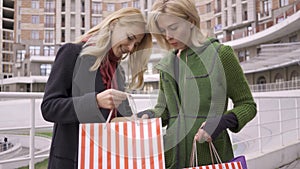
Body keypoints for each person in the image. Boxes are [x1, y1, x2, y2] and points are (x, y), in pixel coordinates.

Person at [139, 0, 257, 168]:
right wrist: (148, 116)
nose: (168, 36)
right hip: (172, 159)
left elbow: (247, 104)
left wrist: (222, 122)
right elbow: (163, 110)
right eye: (163, 30)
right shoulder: (166, 64)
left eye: (173, 28)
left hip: (210, 156)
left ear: (191, 21)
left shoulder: (221, 55)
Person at [41, 7, 152, 168]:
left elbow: (119, 117)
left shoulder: (117, 71)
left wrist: (134, 120)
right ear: (114, 25)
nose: (130, 48)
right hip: (72, 161)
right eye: (129, 38)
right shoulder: (72, 53)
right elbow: (49, 107)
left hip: (105, 160)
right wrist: (95, 102)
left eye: (135, 45)